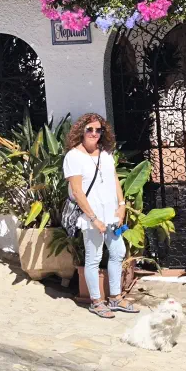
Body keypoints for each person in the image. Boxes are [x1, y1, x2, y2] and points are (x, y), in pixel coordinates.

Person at [63, 113, 139, 318]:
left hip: (111, 214)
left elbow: (114, 180)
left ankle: (115, 298)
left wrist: (121, 206)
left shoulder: (105, 153)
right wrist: (93, 219)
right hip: (91, 217)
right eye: (90, 129)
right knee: (93, 258)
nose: (94, 133)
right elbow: (77, 192)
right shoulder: (74, 156)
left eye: (98, 130)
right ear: (81, 131)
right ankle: (96, 302)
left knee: (117, 252)